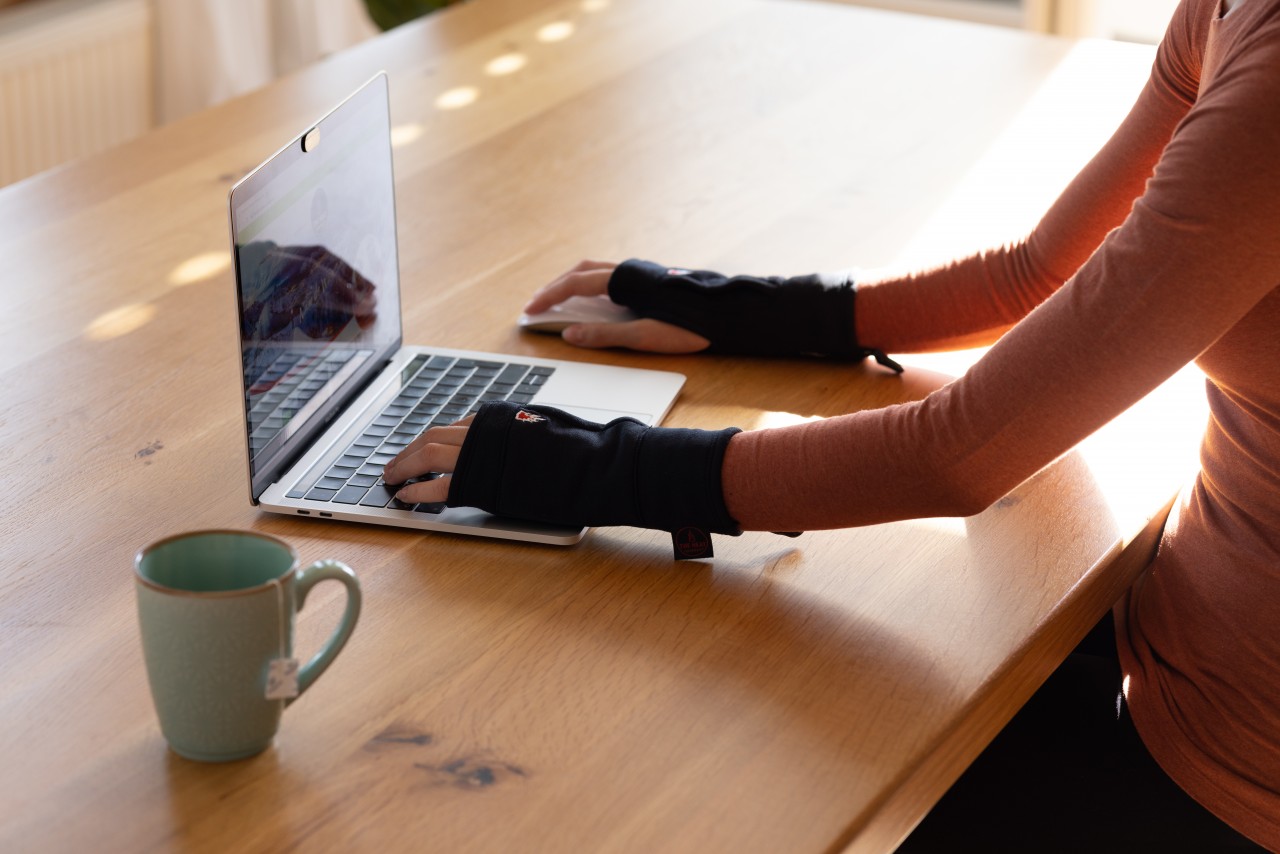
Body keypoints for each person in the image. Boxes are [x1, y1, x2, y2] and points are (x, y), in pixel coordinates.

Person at [384, 0, 1279, 847]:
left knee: (707, 794)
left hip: (1226, 781)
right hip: (1172, 657)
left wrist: (597, 466)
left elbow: (959, 457)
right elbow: (1040, 270)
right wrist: (749, 312)